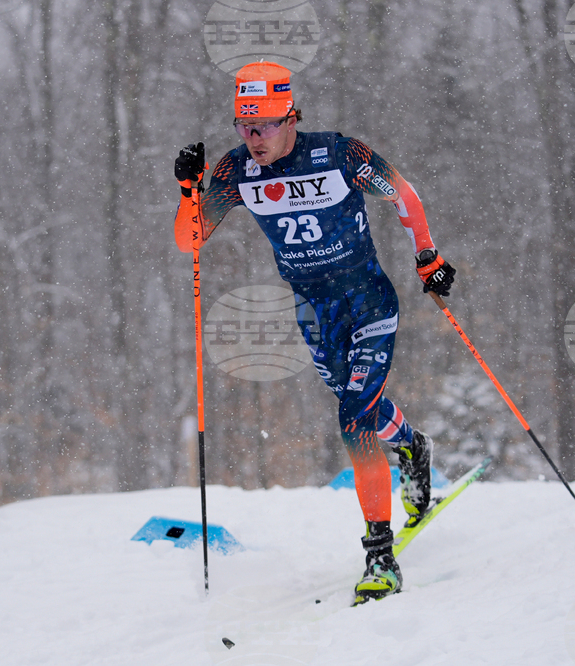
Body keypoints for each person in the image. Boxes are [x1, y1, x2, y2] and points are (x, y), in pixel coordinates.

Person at [173, 61, 457, 603]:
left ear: (290, 119)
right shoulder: (236, 171)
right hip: (313, 311)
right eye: (244, 127)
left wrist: (428, 257)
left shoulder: (339, 155)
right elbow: (191, 239)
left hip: (368, 301)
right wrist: (189, 189)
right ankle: (412, 446)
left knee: (354, 420)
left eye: (264, 126)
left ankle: (380, 557)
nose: (254, 139)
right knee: (359, 405)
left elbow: (404, 195)